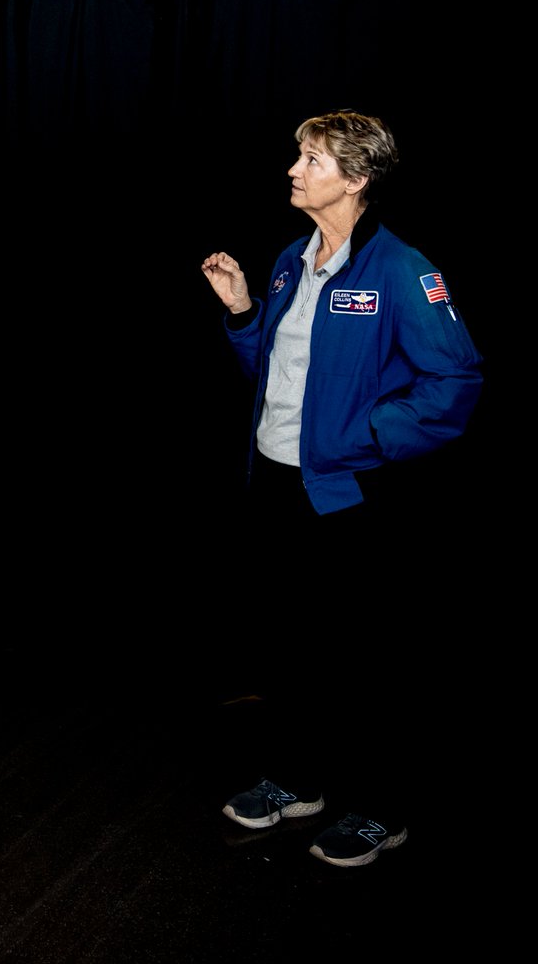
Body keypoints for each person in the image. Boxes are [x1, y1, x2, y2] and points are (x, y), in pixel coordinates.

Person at [200, 110, 483, 867]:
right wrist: (242, 310)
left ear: (355, 180)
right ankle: (298, 782)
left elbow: (455, 378)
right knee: (293, 646)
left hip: (348, 497)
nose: (294, 170)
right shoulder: (295, 259)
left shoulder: (400, 269)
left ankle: (383, 812)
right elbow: (280, 368)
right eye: (298, 156)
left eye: (312, 160)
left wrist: (372, 433)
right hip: (279, 485)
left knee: (365, 658)